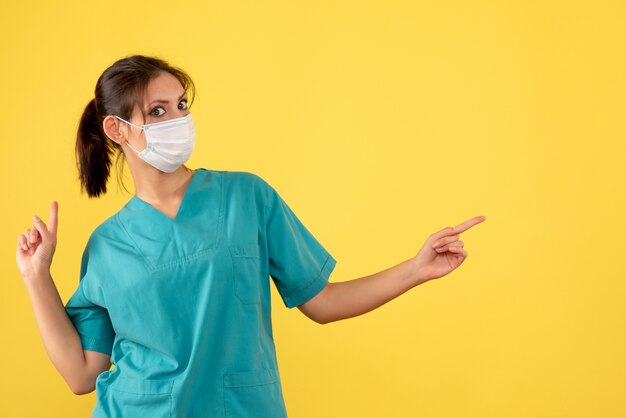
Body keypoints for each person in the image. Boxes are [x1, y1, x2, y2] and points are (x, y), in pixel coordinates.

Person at [16, 55, 486, 418]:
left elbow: (319, 301)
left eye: (181, 105)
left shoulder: (246, 198)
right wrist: (38, 277)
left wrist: (415, 268)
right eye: (158, 111)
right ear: (118, 130)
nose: (178, 120)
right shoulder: (108, 245)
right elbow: (82, 374)